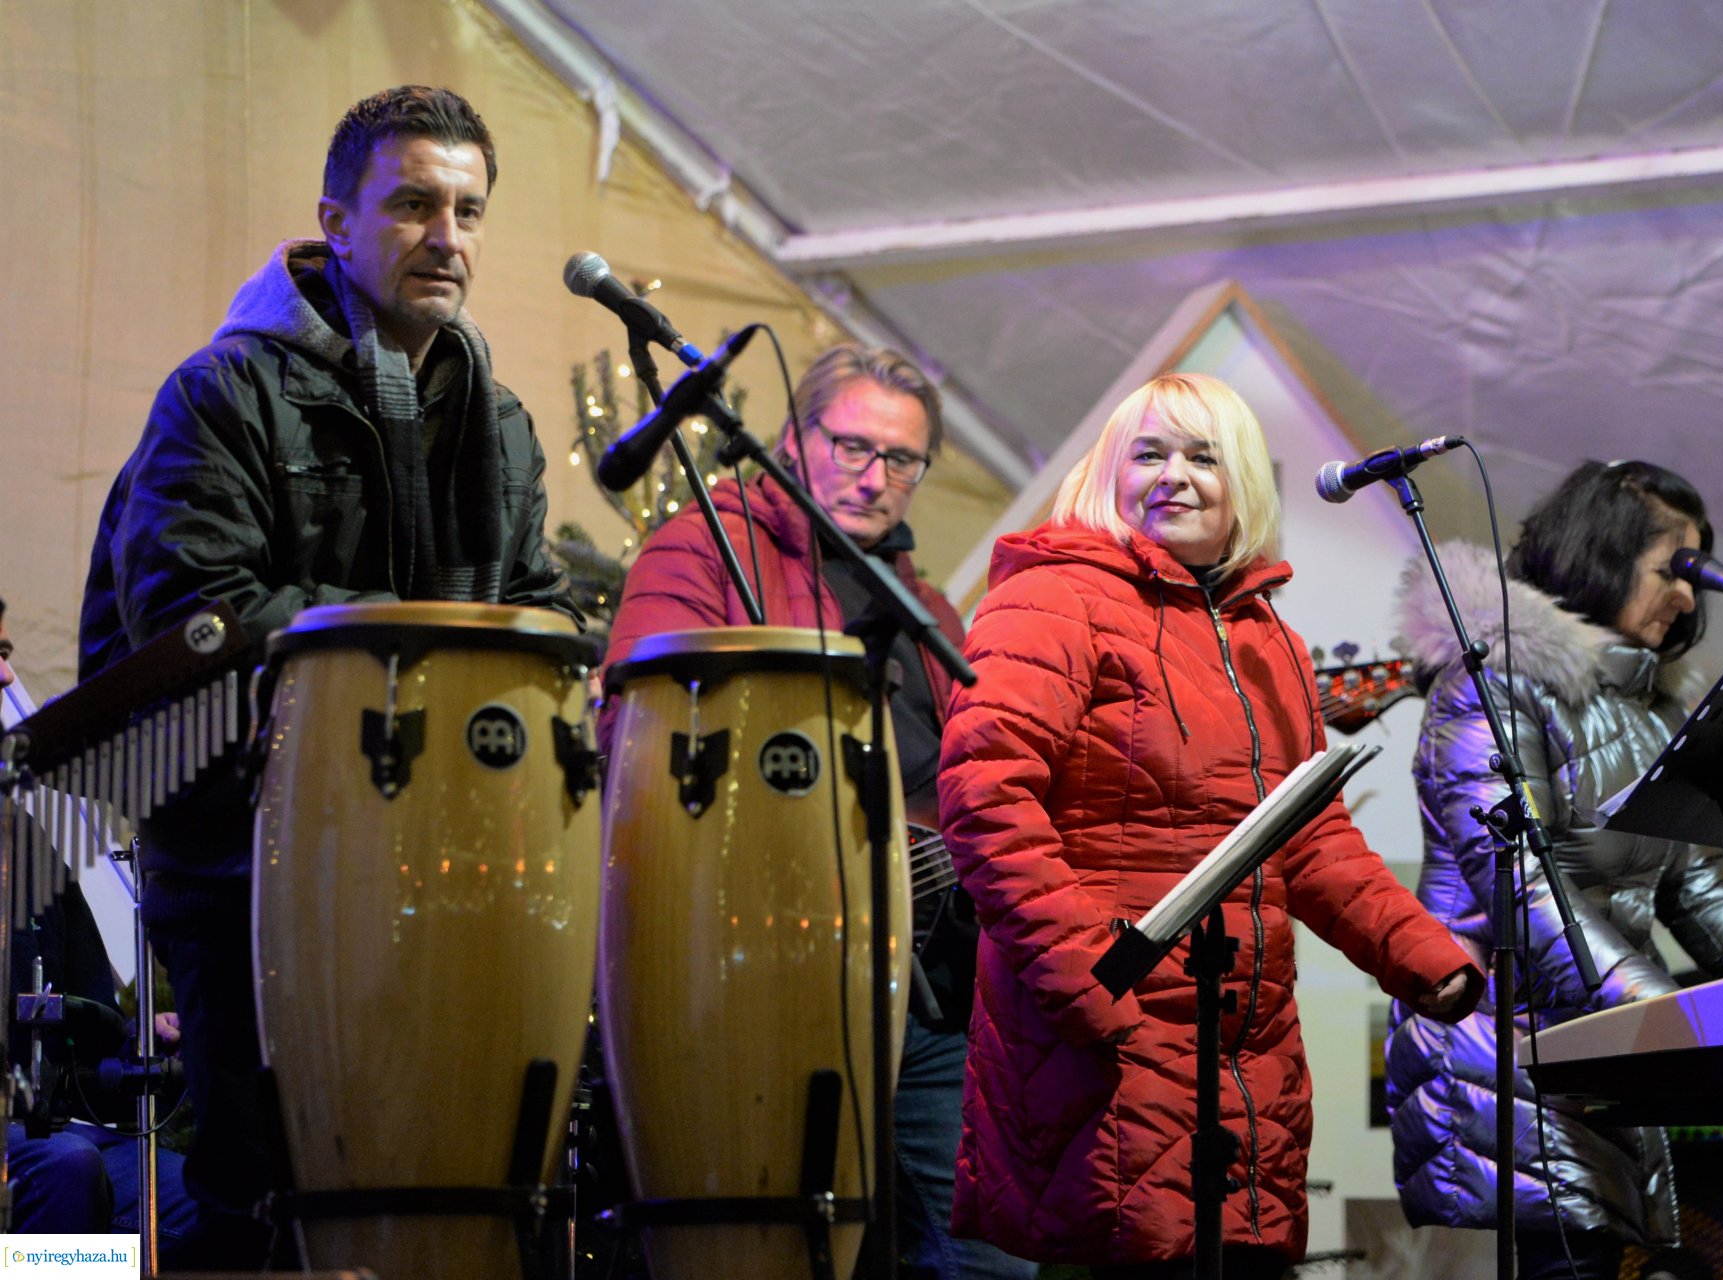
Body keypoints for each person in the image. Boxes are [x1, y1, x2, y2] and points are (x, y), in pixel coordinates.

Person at [77, 86, 577, 1258]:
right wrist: (433, 633)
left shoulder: (496, 421)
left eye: (467, 209)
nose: (445, 237)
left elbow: (535, 603)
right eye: (411, 204)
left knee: (453, 1169)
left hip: (443, 853)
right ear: (335, 219)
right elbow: (198, 619)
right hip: (242, 851)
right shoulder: (222, 393)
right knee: (274, 1182)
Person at [938, 373, 1483, 1277]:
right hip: (1108, 1042)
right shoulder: (1052, 602)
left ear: (1244, 486)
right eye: (1148, 453)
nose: (1175, 476)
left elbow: (1309, 840)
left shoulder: (1267, 640)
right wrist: (1092, 979)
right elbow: (985, 796)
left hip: (1247, 1049)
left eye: (1204, 457)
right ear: (1107, 473)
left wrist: (1429, 961)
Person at [599, 342, 1036, 1280]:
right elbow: (630, 731)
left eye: (902, 460)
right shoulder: (705, 545)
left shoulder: (921, 606)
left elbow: (977, 779)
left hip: (928, 978)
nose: (875, 479)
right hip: (767, 973)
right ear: (793, 440)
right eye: (852, 448)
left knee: (983, 1259)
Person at [1383, 459, 1723, 1280]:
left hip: (1604, 1067)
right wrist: (1665, 1016)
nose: (1689, 598)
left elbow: (1700, 887)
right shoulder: (1490, 686)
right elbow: (1528, 886)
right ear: (1599, 555)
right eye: (1674, 569)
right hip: (1500, 1066)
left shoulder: (1654, 714)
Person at [1, 594, 208, 1258]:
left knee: (213, 1200)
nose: (8, 677)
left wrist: (137, 1040)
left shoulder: (24, 836)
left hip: (57, 1125)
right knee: (66, 1172)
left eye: (5, 654)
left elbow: (85, 1049)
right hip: (43, 1148)